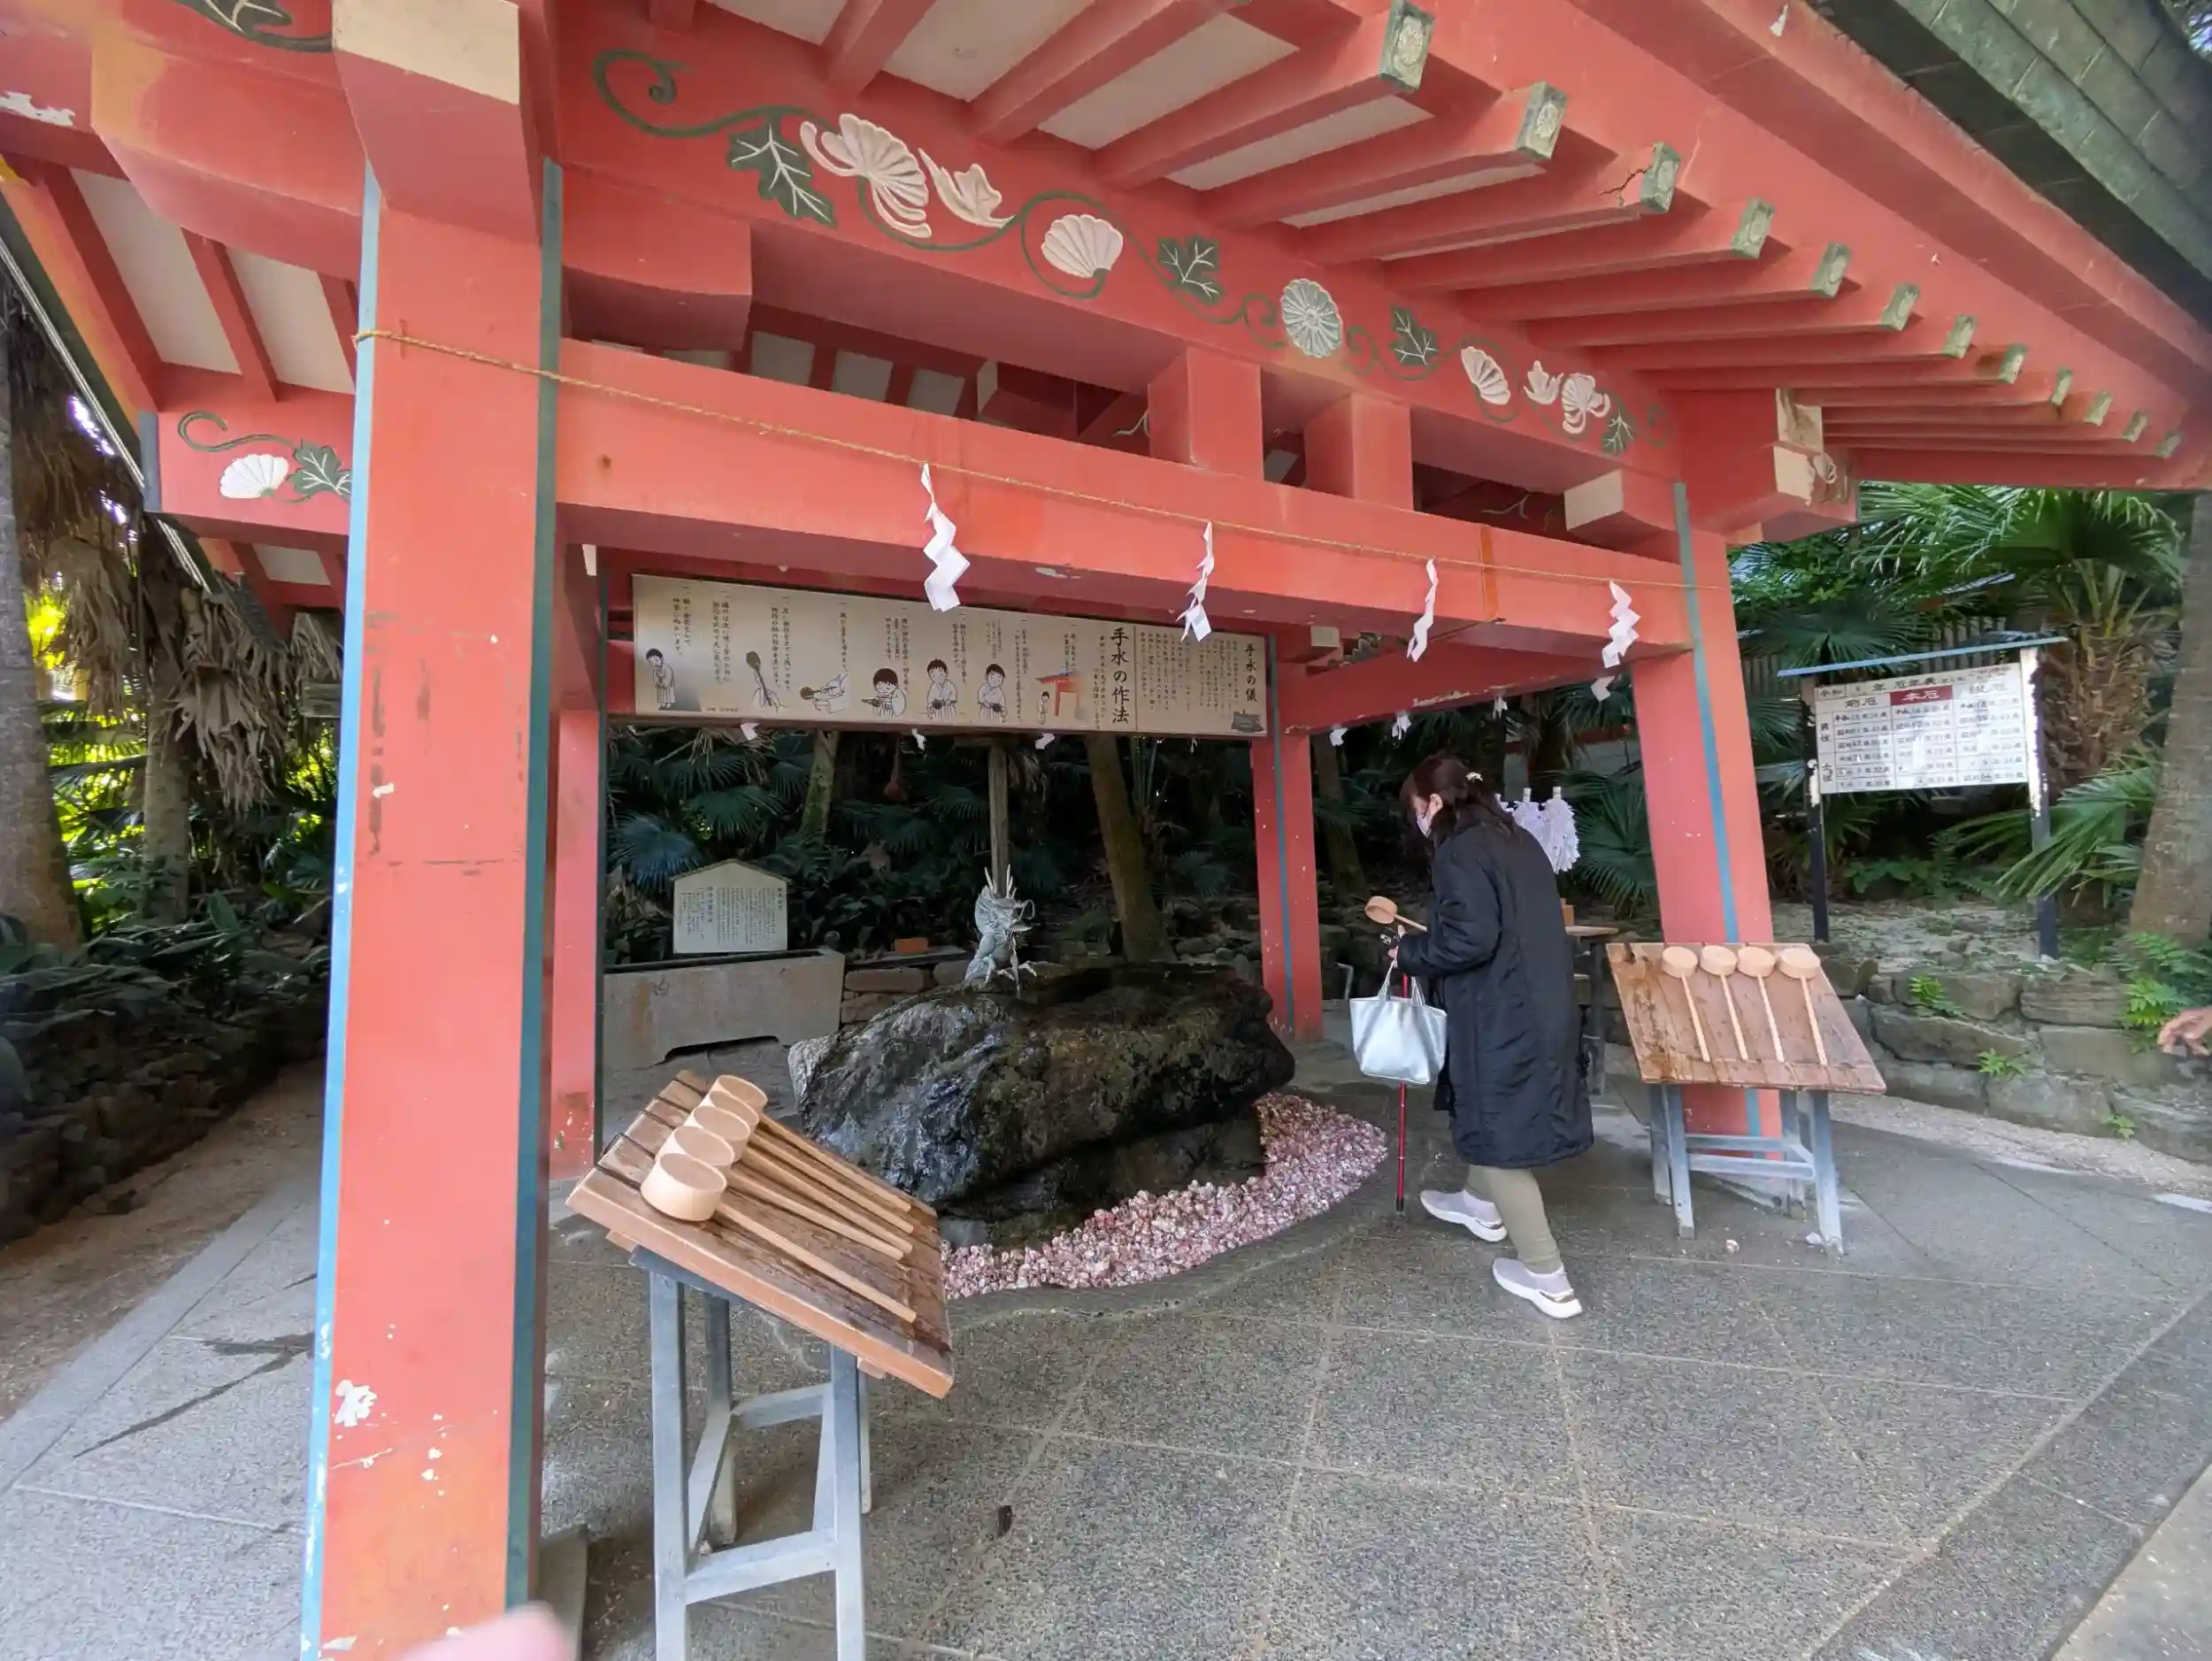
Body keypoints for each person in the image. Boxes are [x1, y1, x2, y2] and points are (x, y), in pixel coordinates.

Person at [1385, 753, 1592, 1319]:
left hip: (1502, 1014)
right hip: (1544, 1004)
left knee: (1498, 1132)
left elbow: (1469, 940)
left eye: (1416, 810)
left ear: (1433, 802)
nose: (1418, 821)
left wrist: (1409, 951)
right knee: (1499, 1114)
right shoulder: (1517, 840)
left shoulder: (1460, 851)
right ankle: (1479, 1204)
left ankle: (1547, 1277)